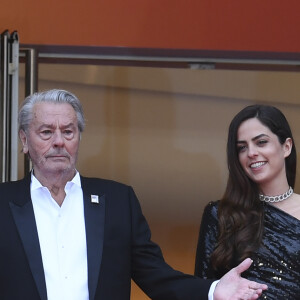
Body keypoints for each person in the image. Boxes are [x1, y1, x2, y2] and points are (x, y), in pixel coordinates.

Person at [0, 89, 267, 300]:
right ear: (24, 140)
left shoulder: (117, 201)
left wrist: (213, 290)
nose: (59, 141)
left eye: (68, 131)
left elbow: (155, 276)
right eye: (46, 132)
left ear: (78, 137)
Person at [195, 105, 300, 299]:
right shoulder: (220, 214)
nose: (251, 152)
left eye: (261, 142)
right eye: (242, 147)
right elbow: (204, 287)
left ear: (286, 147)